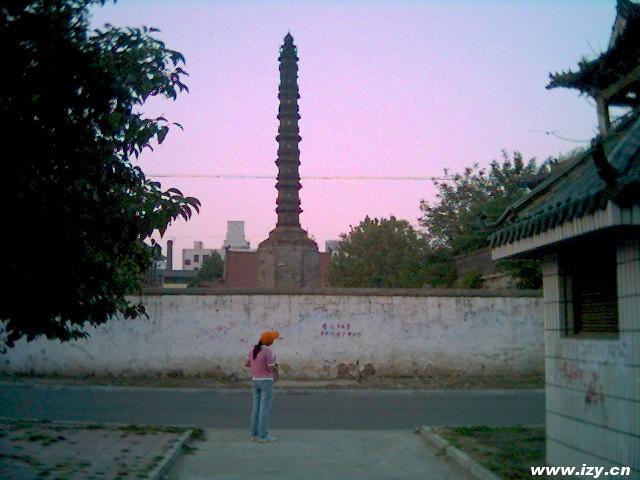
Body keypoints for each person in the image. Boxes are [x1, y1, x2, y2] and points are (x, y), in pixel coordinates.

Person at [245, 330, 281, 443]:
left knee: (256, 408)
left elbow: (247, 364)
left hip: (255, 380)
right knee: (264, 409)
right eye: (272, 340)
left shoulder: (252, 349)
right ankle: (263, 436)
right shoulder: (268, 352)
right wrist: (275, 366)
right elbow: (270, 369)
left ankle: (253, 434)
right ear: (269, 342)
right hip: (266, 381)